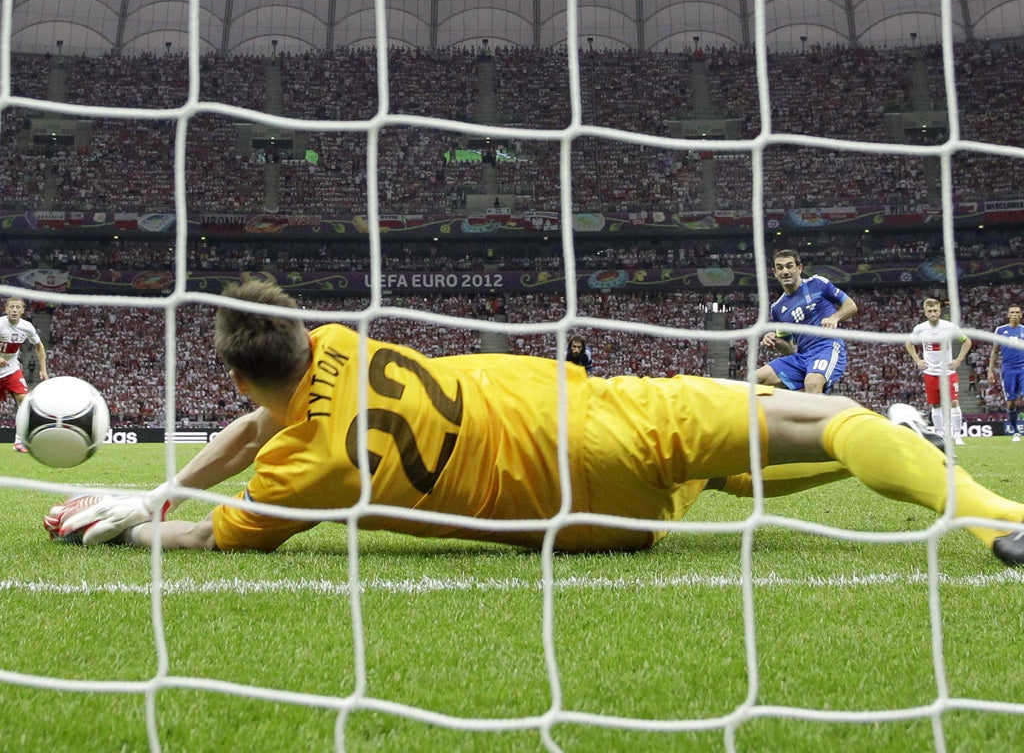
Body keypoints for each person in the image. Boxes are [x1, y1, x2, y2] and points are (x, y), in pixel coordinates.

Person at [47, 280, 1024, 568]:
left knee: (733, 474)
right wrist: (158, 497)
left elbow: (222, 518)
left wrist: (137, 516)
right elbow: (254, 427)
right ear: (301, 333)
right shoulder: (339, 341)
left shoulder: (300, 472)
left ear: (238, 376)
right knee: (835, 418)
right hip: (608, 421)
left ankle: (909, 455)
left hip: (598, 524)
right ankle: (990, 514)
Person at [755, 250, 858, 394]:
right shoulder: (777, 309)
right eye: (780, 268)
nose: (785, 271)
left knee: (812, 382)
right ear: (774, 272)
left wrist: (835, 317)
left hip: (827, 347)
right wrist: (776, 341)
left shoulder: (817, 283)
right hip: (801, 358)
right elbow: (789, 349)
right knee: (755, 379)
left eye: (789, 266)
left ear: (799, 268)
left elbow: (851, 306)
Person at [904, 297, 971, 446]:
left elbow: (967, 341)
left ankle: (957, 435)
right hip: (930, 373)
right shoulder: (920, 329)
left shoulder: (949, 327)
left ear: (940, 311)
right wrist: (917, 360)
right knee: (935, 405)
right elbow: (909, 343)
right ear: (925, 313)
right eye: (930, 311)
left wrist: (959, 360)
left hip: (948, 372)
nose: (933, 313)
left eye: (935, 310)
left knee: (954, 402)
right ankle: (940, 435)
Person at [0, 296, 49, 452]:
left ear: (23, 311)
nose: (14, 310)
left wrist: (43, 369)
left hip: (11, 369)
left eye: (17, 307)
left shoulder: (27, 327)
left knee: (25, 403)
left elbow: (39, 346)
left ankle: (19, 442)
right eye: (11, 307)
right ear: (6, 309)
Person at [987, 305, 1024, 442]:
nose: (1015, 314)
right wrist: (990, 370)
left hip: (1023, 368)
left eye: (1017, 312)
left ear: (1021, 315)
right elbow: (995, 351)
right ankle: (1015, 431)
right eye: (1012, 312)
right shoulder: (1001, 330)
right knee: (1011, 404)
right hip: (1008, 370)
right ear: (1008, 315)